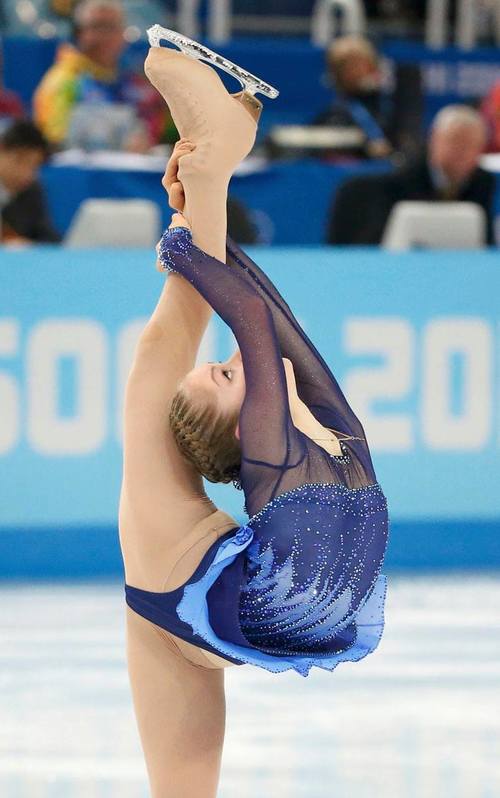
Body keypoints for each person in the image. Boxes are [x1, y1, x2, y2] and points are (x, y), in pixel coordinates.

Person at [120, 34, 389, 796]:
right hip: (236, 603)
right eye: (228, 375)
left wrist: (197, 227)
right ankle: (214, 157)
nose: (234, 362)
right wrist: (193, 229)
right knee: (157, 365)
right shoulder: (311, 446)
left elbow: (265, 324)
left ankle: (214, 158)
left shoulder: (316, 449)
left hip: (205, 610)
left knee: (161, 367)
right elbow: (256, 324)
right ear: (245, 425)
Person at [327, 104, 496, 245]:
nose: (462, 152)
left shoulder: (483, 182)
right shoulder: (403, 178)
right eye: (455, 141)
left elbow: (484, 242)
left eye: (471, 145)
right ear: (434, 140)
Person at [33, 0, 170, 151]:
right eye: (97, 27)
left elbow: (165, 130)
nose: (105, 36)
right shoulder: (62, 80)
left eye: (112, 27)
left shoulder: (138, 82)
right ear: (78, 33)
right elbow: (55, 142)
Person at [311, 35, 393, 159]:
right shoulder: (335, 113)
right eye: (346, 66)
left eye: (360, 64)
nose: (354, 71)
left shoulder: (390, 104)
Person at [0, 120, 61, 244]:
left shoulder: (31, 191)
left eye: (34, 166)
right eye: (20, 161)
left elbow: (49, 238)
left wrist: (27, 245)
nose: (26, 173)